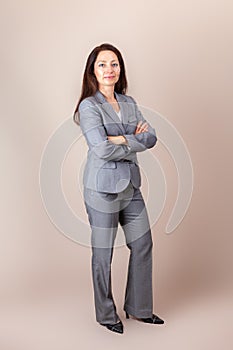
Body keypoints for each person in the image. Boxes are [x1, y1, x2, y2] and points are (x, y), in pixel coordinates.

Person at [73, 43, 164, 334]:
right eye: (102, 64)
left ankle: (139, 309)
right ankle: (106, 314)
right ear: (93, 70)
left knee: (143, 244)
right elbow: (99, 149)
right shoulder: (89, 106)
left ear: (120, 69)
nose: (109, 70)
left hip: (130, 185)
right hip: (102, 189)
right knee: (103, 253)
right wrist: (128, 138)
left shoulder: (130, 102)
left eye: (114, 64)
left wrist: (119, 139)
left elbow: (151, 138)